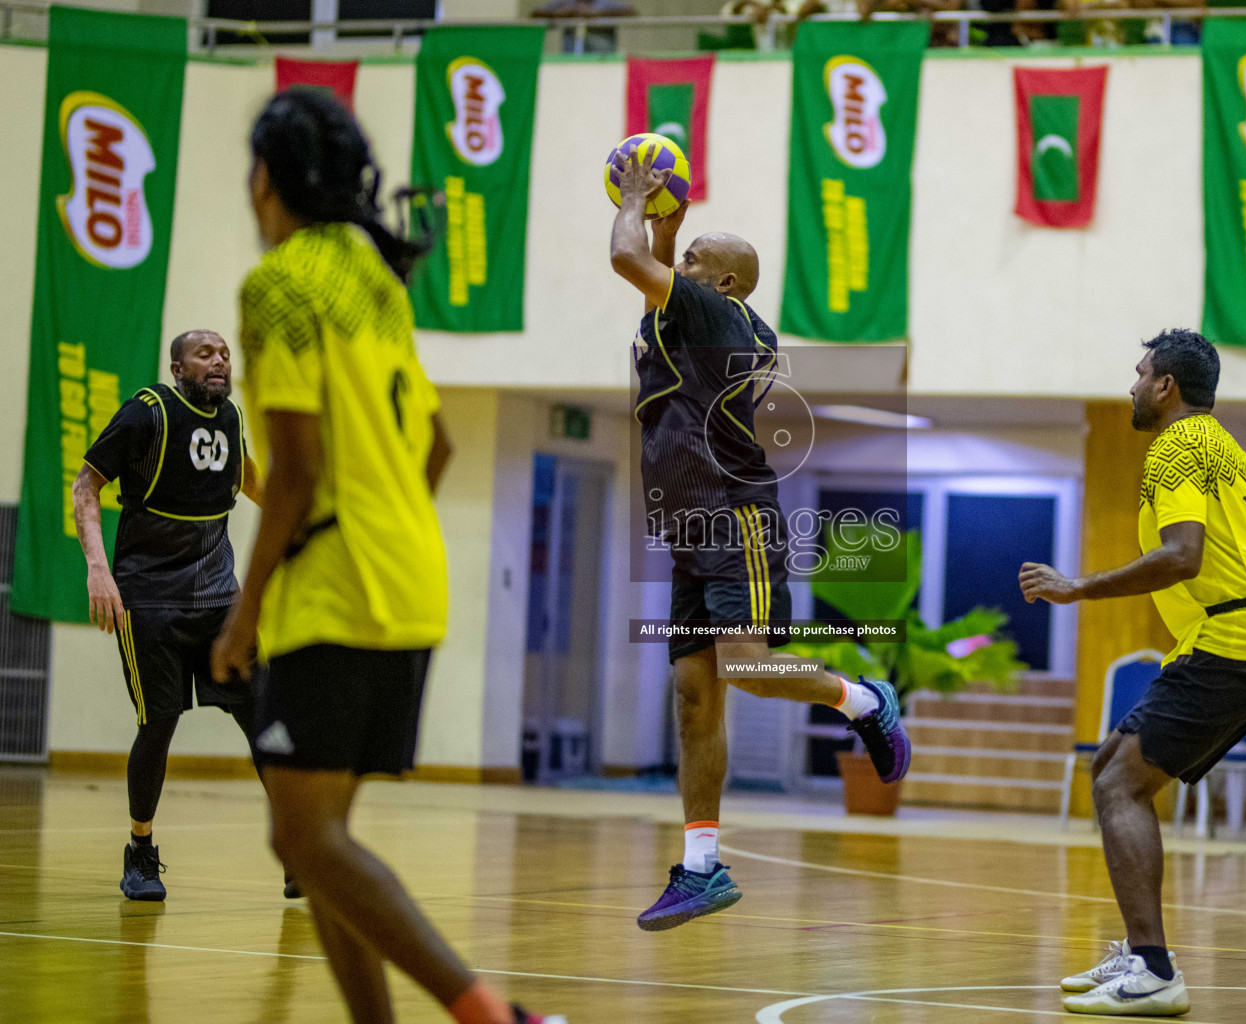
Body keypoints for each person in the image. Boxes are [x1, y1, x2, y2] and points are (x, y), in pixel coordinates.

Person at [208, 90, 559, 1024]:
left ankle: (490, 1014)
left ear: (266, 179)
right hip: (412, 576)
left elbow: (293, 472)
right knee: (317, 841)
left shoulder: (280, 282)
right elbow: (435, 446)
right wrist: (386, 521)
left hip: (338, 589)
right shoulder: (372, 274)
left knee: (307, 839)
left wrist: (244, 613)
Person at [609, 148, 910, 931]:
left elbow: (624, 256)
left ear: (727, 283)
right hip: (685, 529)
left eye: (699, 255)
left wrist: (639, 203)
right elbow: (652, 279)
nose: (686, 256)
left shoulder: (720, 315)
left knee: (744, 668)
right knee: (693, 697)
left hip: (735, 515)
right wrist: (671, 224)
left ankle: (863, 699)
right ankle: (702, 869)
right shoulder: (688, 317)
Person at [1019, 328, 1246, 1017]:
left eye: (1140, 372)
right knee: (1113, 765)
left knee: (1121, 783)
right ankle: (1140, 951)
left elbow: (1184, 557)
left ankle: (1154, 970)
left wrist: (1077, 587)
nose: (1132, 385)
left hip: (1240, 639)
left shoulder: (1179, 445)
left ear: (1166, 386)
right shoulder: (1222, 446)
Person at [73, 329, 267, 901]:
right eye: (205, 353)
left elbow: (253, 481)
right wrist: (98, 570)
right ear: (178, 367)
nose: (220, 361)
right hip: (150, 595)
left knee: (264, 718)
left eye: (225, 353)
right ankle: (141, 850)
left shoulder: (229, 418)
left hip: (217, 598)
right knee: (159, 723)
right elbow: (86, 488)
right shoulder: (146, 413)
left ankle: (296, 849)